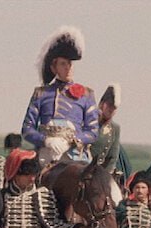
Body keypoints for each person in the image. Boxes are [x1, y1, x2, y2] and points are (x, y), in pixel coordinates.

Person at [22, 27, 99, 165]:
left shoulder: (87, 95)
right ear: (54, 68)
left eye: (70, 64)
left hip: (76, 156)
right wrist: (46, 140)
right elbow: (27, 129)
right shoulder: (41, 94)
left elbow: (92, 132)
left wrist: (71, 141)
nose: (67, 68)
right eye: (63, 64)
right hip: (46, 155)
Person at [90, 84, 122, 177]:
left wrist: (105, 175)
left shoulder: (115, 128)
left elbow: (113, 156)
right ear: (101, 104)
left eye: (114, 108)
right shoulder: (89, 122)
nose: (111, 110)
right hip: (84, 168)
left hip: (101, 173)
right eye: (109, 105)